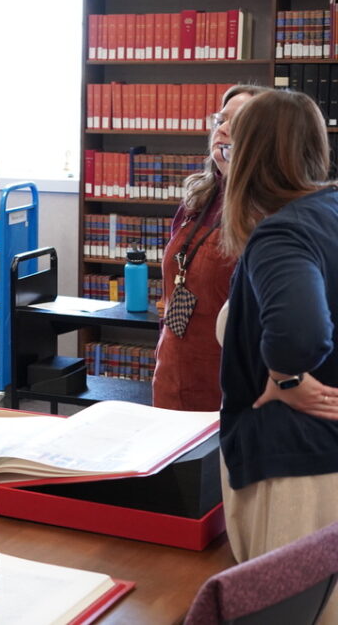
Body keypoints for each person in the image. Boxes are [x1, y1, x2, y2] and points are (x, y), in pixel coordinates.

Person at [217, 89, 338, 621]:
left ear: (251, 155)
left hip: (295, 469)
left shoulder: (281, 232)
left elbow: (299, 333)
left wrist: (284, 377)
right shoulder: (329, 210)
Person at [152, 84, 268, 411]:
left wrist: (238, 179)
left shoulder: (270, 209)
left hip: (230, 375)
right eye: (221, 119)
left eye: (239, 122)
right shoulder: (199, 197)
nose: (224, 129)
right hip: (174, 363)